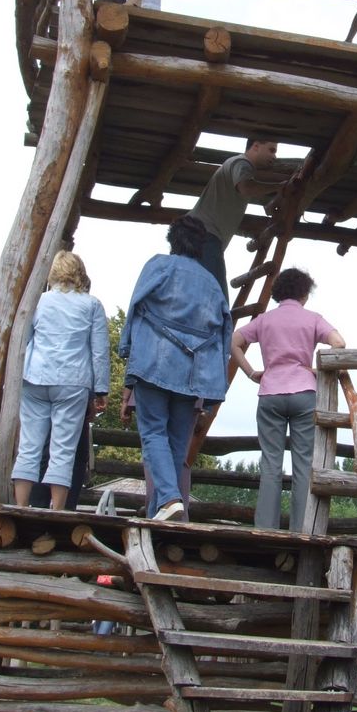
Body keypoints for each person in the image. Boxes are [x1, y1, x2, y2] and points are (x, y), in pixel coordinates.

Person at [119, 216, 233, 520]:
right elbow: (224, 332)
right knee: (178, 443)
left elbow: (135, 308)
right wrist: (215, 382)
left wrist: (126, 350)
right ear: (200, 246)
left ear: (173, 240)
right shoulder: (212, 283)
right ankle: (162, 512)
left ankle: (169, 498)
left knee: (153, 433)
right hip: (194, 372)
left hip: (153, 362)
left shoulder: (159, 266)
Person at [231, 269, 346, 535]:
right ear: (304, 293)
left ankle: (265, 530)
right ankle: (301, 531)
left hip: (270, 392)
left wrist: (251, 373)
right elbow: (339, 343)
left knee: (270, 463)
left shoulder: (264, 320)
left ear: (278, 293)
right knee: (304, 464)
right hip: (304, 392)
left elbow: (234, 341)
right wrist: (317, 371)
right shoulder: (313, 319)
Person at [11, 251, 109, 513]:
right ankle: (57, 511)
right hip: (72, 381)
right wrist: (101, 389)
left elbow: (24, 339)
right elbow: (99, 351)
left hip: (35, 377)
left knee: (29, 446)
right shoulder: (92, 305)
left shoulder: (38, 301)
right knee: (63, 450)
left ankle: (21, 507)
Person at [185, 135, 289, 297]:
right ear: (256, 146)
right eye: (271, 150)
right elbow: (246, 187)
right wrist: (279, 186)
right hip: (204, 235)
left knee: (192, 290)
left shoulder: (234, 166)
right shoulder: (242, 163)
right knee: (216, 296)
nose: (274, 156)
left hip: (193, 234)